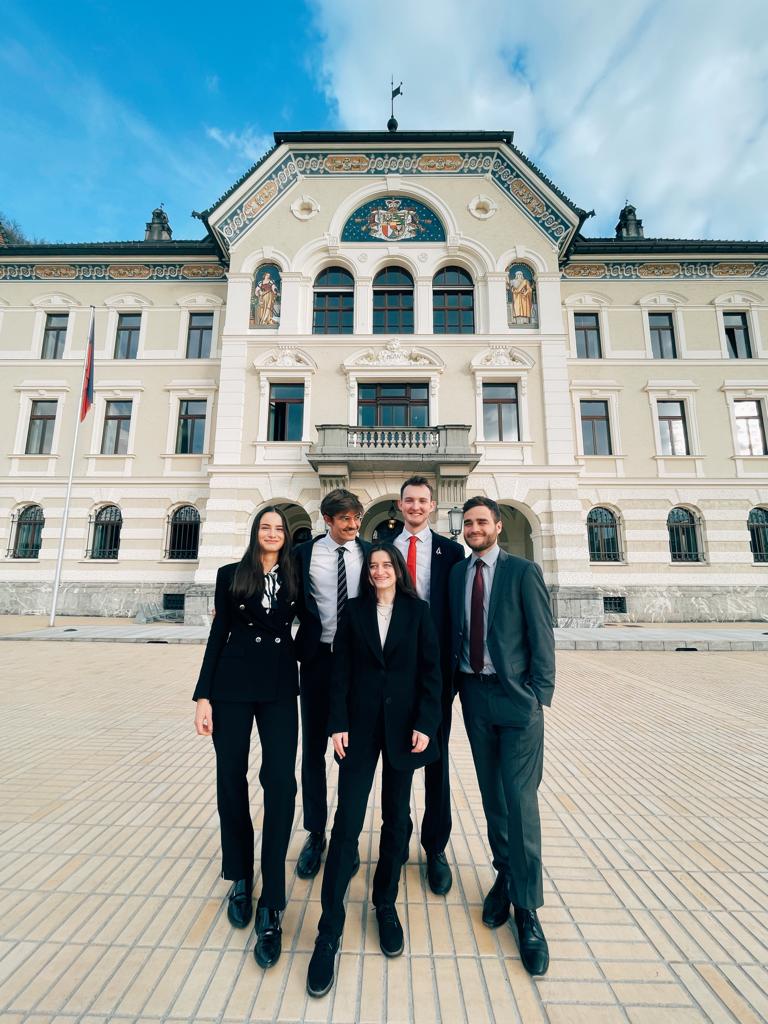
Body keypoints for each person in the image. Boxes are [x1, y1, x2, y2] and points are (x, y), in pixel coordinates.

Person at [306, 544, 443, 997]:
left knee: (396, 821)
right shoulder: (354, 612)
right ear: (367, 574)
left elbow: (431, 673)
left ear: (398, 571)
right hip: (359, 730)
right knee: (346, 824)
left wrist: (427, 722)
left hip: (404, 730)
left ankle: (385, 903)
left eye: (388, 565)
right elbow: (339, 671)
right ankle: (330, 929)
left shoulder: (418, 612)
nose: (381, 571)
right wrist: (337, 723)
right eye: (374, 566)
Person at [449, 496, 555, 976]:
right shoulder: (457, 573)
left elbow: (541, 637)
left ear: (496, 526)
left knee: (520, 800)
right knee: (492, 796)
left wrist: (537, 697)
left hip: (516, 703)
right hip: (474, 697)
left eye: (481, 522)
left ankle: (527, 910)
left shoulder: (521, 572)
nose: (473, 528)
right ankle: (505, 876)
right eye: (467, 522)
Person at [192, 506, 298, 969]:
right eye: (266, 527)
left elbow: (312, 628)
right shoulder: (230, 574)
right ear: (256, 533)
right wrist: (203, 696)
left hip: (278, 685)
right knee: (230, 781)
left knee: (280, 783)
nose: (272, 533)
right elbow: (219, 632)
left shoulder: (297, 576)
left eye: (279, 528)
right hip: (232, 686)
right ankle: (239, 875)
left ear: (286, 537)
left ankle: (272, 897)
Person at [293, 488, 370, 879]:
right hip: (317, 661)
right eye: (345, 520)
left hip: (358, 665)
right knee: (313, 752)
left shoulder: (370, 553)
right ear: (327, 519)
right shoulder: (303, 555)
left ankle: (347, 835)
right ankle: (315, 832)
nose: (354, 525)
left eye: (357, 518)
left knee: (351, 752)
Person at [393, 475, 464, 894]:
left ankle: (435, 848)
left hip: (435, 674)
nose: (416, 507)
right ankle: (397, 839)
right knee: (396, 761)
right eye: (409, 501)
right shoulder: (382, 549)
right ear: (400, 506)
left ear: (433, 506)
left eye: (422, 501)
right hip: (391, 672)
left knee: (435, 761)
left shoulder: (452, 552)